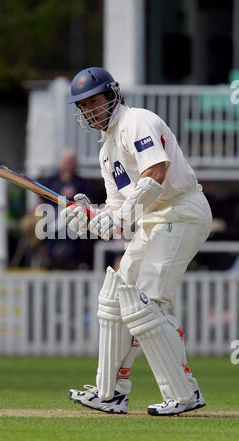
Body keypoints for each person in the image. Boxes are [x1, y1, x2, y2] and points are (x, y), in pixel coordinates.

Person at [60, 67, 212, 416]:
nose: (90, 111)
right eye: (83, 106)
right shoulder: (106, 151)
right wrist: (90, 218)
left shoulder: (137, 121)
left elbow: (155, 174)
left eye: (95, 102)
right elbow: (117, 211)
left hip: (181, 210)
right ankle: (110, 392)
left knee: (146, 304)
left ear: (112, 96)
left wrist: (121, 215)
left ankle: (184, 393)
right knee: (115, 297)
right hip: (152, 219)